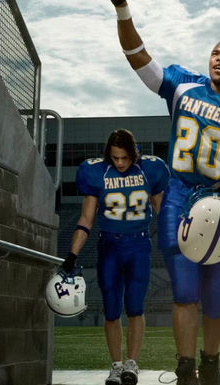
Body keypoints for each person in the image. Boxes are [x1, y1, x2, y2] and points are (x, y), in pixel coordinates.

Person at [110, 1, 220, 384]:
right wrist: (123, 10)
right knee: (184, 290)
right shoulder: (182, 85)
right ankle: (185, 366)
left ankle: (211, 360)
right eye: (216, 53)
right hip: (178, 194)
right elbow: (137, 56)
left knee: (217, 293)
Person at [62, 129, 170, 385]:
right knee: (111, 310)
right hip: (109, 246)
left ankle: (131, 363)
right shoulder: (97, 172)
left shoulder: (150, 170)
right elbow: (86, 218)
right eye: (115, 158)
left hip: (139, 246)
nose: (119, 163)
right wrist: (72, 254)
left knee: (135, 307)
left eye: (124, 158)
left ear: (134, 154)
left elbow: (163, 213)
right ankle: (116, 365)